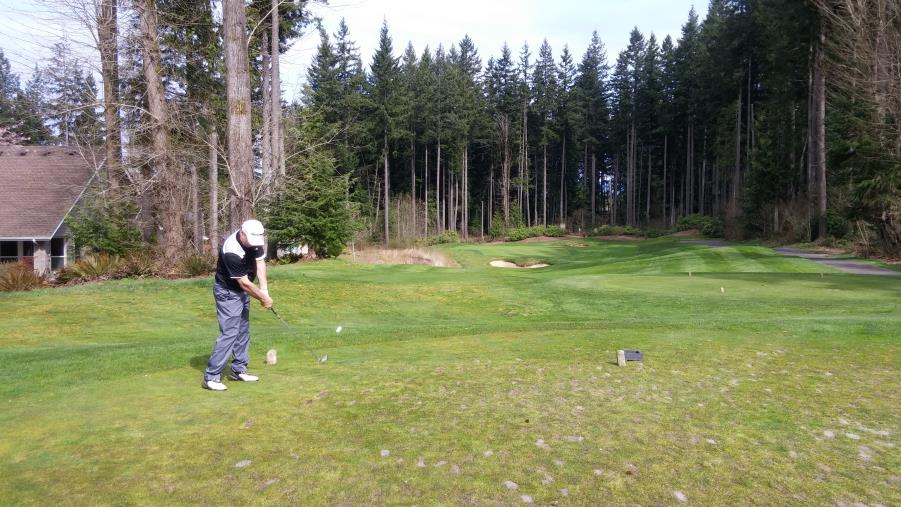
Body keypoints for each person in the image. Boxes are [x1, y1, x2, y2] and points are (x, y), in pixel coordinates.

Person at [202, 219, 273, 391]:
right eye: (250, 240)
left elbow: (260, 263)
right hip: (227, 292)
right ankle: (211, 377)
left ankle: (238, 370)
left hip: (242, 291)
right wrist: (262, 298)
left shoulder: (255, 240)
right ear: (242, 233)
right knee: (230, 333)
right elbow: (244, 283)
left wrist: (264, 290)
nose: (253, 244)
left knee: (243, 331)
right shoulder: (231, 250)